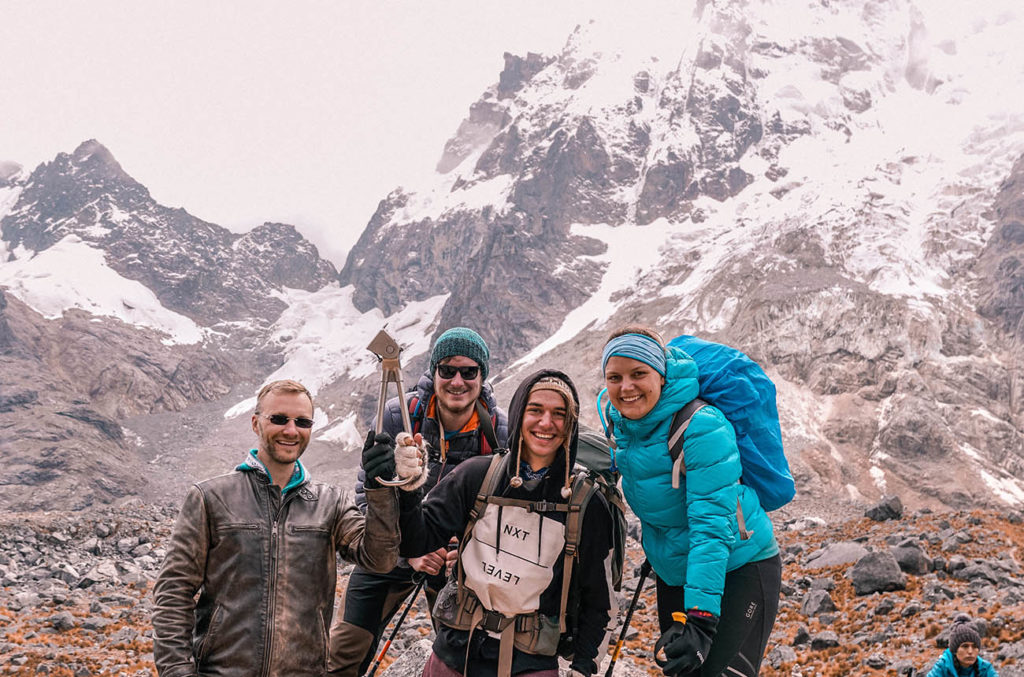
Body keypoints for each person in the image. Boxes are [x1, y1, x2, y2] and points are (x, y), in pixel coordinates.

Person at [152, 379, 402, 677]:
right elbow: (173, 592)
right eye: (279, 419)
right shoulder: (211, 498)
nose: (291, 430)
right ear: (256, 423)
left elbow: (380, 559)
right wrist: (177, 672)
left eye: (303, 421)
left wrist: (380, 488)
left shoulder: (330, 502)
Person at [396, 369, 614, 677]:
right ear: (517, 413)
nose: (546, 423)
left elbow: (598, 600)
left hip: (530, 663)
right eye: (535, 410)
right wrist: (408, 489)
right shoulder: (475, 476)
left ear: (571, 425)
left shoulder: (586, 503)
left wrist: (583, 668)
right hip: (456, 653)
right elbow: (415, 542)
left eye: (559, 414)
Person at [599, 325, 781, 677]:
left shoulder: (700, 427)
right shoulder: (621, 428)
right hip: (678, 571)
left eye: (639, 374)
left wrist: (701, 619)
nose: (626, 387)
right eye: (615, 377)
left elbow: (711, 528)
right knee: (685, 670)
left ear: (661, 375)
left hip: (740, 566)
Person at [328, 327, 509, 676]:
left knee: (463, 662)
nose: (457, 381)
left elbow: (503, 511)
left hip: (457, 563)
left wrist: (465, 548)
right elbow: (368, 494)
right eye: (447, 370)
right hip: (390, 551)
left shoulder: (499, 429)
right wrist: (407, 552)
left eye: (469, 371)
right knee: (343, 653)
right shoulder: (399, 413)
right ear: (434, 372)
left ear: (482, 376)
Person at [926, 614, 999, 676]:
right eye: (965, 646)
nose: (970, 651)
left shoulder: (985, 669)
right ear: (955, 650)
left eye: (974, 646)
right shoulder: (942, 667)